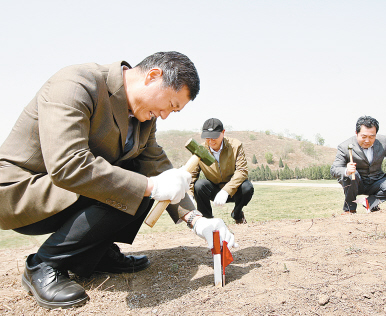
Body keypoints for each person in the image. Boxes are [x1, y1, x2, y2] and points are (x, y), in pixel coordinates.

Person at [0, 52, 237, 309]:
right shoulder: (76, 84)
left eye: (174, 111)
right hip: (21, 192)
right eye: (170, 104)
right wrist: (152, 185)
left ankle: (95, 254)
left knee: (142, 181)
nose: (165, 115)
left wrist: (197, 221)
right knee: (140, 185)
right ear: (153, 76)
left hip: (67, 191)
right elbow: (67, 165)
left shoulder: (145, 119)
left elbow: (156, 166)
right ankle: (44, 264)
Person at [330, 116, 386, 214]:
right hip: (356, 183)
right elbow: (334, 169)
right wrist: (346, 171)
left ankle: (370, 203)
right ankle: (349, 209)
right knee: (353, 174)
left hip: (376, 182)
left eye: (371, 136)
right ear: (356, 133)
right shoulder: (344, 146)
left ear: (376, 134)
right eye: (363, 137)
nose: (367, 140)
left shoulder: (383, 141)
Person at [190, 118, 254, 224]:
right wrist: (189, 195)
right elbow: (192, 175)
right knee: (199, 185)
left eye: (214, 136)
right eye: (207, 137)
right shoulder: (200, 150)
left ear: (223, 132)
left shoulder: (236, 146)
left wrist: (226, 191)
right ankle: (207, 221)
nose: (210, 141)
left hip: (234, 190)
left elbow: (242, 171)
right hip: (214, 190)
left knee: (247, 187)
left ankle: (237, 214)